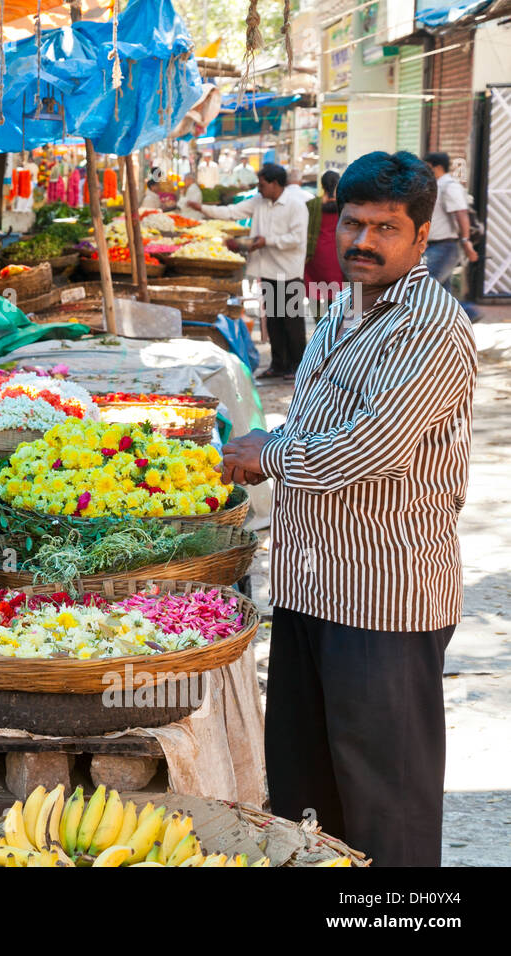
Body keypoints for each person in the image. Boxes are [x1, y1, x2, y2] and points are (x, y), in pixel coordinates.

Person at [219, 151, 477, 867]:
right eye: (354, 224)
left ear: (423, 237)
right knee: (310, 798)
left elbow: (370, 450)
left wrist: (264, 456)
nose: (363, 241)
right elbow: (311, 424)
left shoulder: (429, 326)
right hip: (309, 587)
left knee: (385, 805)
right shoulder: (347, 306)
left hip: (383, 600)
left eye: (386, 229)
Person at [188, 163, 310, 380]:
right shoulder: (259, 201)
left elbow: (297, 239)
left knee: (292, 321)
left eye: (262, 184)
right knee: (273, 321)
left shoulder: (296, 205)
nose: (259, 188)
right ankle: (279, 364)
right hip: (268, 270)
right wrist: (203, 209)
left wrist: (267, 241)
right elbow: (232, 212)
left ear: (274, 184)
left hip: (289, 271)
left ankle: (299, 366)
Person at [422, 152, 480, 318]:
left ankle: (468, 312)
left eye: (427, 166)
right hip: (437, 246)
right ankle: (461, 315)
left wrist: (466, 240)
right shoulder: (438, 185)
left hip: (445, 246)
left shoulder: (449, 186)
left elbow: (461, 213)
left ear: (436, 167)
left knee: (425, 286)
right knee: (442, 292)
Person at [303, 170, 342, 317]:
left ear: (322, 185)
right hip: (337, 256)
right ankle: (334, 331)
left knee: (315, 295)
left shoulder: (312, 205)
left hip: (315, 257)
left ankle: (320, 326)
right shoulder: (344, 206)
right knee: (338, 295)